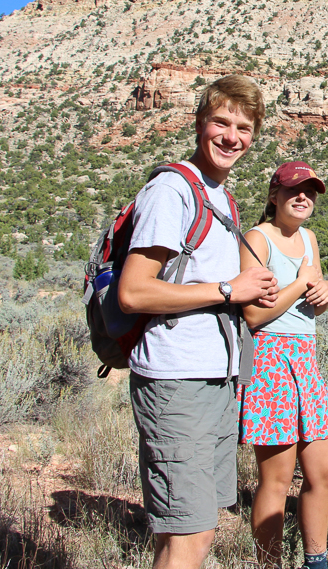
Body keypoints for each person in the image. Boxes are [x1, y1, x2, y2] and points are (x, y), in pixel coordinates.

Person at [118, 75, 279, 569]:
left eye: (244, 127)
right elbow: (133, 291)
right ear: (198, 123)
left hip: (217, 378)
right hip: (175, 377)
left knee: (200, 526)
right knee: (188, 534)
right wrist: (231, 290)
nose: (232, 137)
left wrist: (250, 288)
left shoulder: (220, 195)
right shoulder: (173, 191)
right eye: (221, 122)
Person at [238, 161, 328, 569]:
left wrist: (325, 289)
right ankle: (270, 563)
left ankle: (317, 560)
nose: (304, 198)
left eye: (310, 192)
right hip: (267, 357)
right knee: (277, 479)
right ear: (274, 196)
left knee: (322, 470)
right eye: (295, 190)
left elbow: (313, 298)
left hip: (304, 355)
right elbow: (253, 315)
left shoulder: (310, 239)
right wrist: (301, 282)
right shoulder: (258, 239)